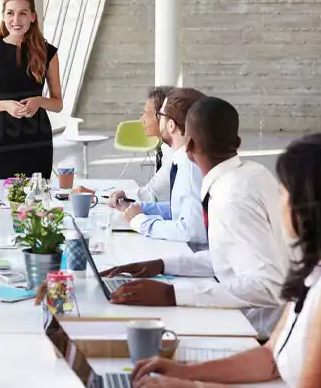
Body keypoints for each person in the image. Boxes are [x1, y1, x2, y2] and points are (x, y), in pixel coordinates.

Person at [129, 133, 321, 388]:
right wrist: (186, 371)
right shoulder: (319, 272)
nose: (279, 202)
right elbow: (270, 358)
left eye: (284, 193)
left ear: (305, 209)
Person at [101, 97, 290, 339]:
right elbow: (231, 257)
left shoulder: (231, 197)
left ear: (188, 149)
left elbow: (266, 285)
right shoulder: (251, 174)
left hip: (253, 331)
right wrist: (163, 265)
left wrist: (173, 294)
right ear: (238, 143)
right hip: (250, 318)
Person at [0, 0, 63, 179]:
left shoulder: (48, 53)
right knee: (3, 197)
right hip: (0, 138)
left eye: (23, 13)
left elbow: (58, 104)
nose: (16, 20)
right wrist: (5, 105)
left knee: (37, 199)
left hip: (37, 137)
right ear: (3, 17)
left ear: (32, 17)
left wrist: (39, 101)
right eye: (10, 13)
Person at [118, 88, 207, 249]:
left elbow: (192, 231)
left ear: (171, 125)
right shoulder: (182, 161)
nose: (158, 120)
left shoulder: (190, 167)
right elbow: (180, 209)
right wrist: (143, 208)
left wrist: (140, 221)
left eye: (161, 115)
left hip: (193, 257)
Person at [109, 86, 174, 206]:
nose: (141, 119)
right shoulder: (164, 149)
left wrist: (94, 196)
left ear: (165, 117)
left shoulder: (176, 156)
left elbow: (151, 194)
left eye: (147, 114)